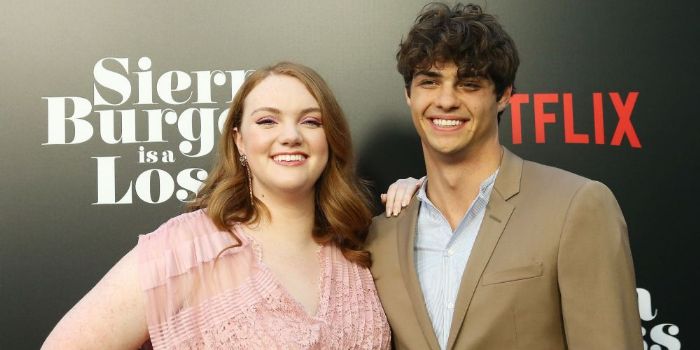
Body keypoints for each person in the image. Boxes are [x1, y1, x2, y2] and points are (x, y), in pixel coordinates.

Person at [42, 62, 391, 349]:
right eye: (267, 120)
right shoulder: (187, 249)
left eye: (311, 121)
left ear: (330, 138)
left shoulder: (357, 249)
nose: (290, 135)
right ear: (239, 139)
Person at [367, 3, 643, 350]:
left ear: (504, 95)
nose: (446, 100)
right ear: (409, 95)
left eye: (468, 83)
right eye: (429, 82)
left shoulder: (576, 207)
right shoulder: (381, 236)